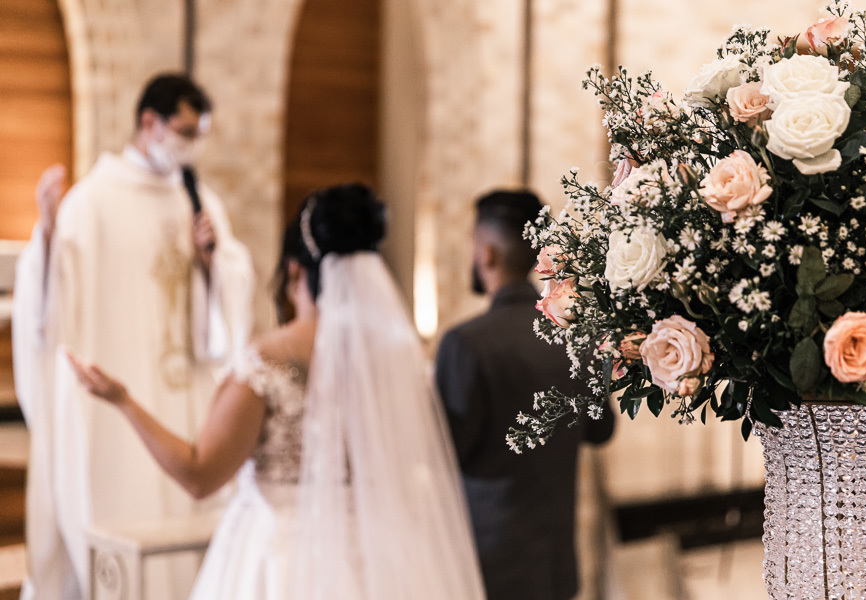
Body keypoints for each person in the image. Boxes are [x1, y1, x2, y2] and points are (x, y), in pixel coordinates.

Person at [67, 184, 487, 599]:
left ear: (294, 270)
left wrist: (123, 401)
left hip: (281, 556)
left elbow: (200, 476)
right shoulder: (394, 359)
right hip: (379, 557)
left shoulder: (267, 360)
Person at [12, 74, 255, 599]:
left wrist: (213, 267)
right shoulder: (92, 202)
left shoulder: (200, 201)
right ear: (149, 123)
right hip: (112, 410)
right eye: (185, 131)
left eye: (200, 134)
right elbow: (47, 310)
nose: (192, 145)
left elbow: (232, 301)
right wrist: (49, 232)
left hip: (182, 392)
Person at [435, 189, 616, 600]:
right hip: (556, 564)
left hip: (488, 564)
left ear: (488, 255)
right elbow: (601, 429)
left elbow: (445, 454)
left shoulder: (465, 344)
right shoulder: (575, 335)